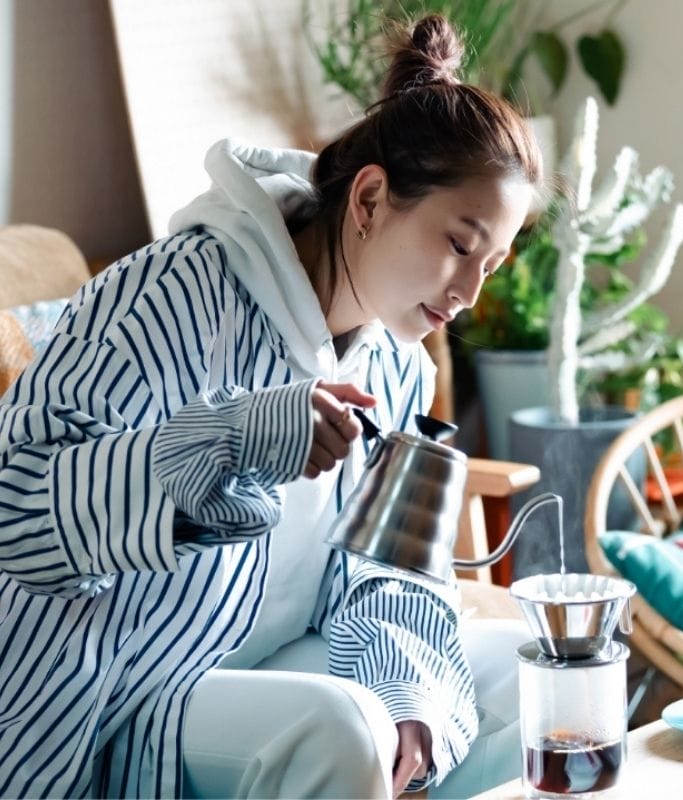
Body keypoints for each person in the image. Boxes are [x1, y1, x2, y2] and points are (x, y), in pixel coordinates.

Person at [0, 14, 542, 799]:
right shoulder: (172, 296)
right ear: (370, 198)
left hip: (272, 660)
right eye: (460, 246)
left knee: (528, 672)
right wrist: (230, 438)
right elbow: (15, 507)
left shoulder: (403, 370)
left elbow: (395, 567)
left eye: (490, 264)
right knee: (341, 727)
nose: (467, 294)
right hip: (123, 693)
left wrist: (411, 700)